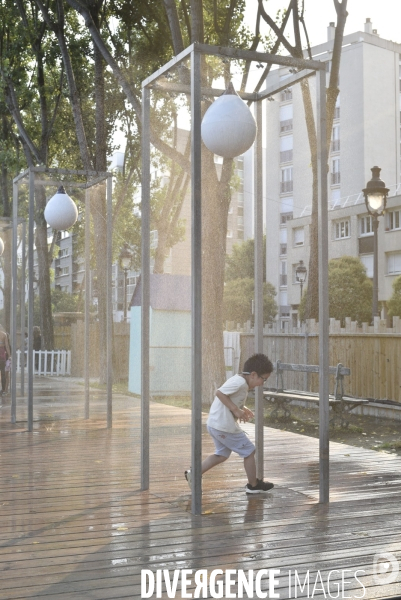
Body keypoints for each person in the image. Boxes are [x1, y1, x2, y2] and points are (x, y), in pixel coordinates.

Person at [185, 353, 275, 494]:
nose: (263, 383)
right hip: (223, 426)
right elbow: (220, 393)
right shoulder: (239, 382)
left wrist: (242, 409)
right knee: (249, 451)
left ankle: (194, 473)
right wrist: (235, 410)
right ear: (253, 374)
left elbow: (230, 397)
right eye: (263, 379)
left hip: (215, 424)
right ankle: (253, 485)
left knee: (222, 454)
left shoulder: (240, 381)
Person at [0, 325, 11, 397]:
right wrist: (9, 355)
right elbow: (6, 345)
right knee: (3, 373)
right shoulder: (4, 334)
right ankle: (3, 389)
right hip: (2, 354)